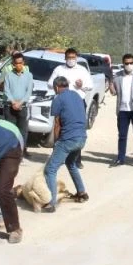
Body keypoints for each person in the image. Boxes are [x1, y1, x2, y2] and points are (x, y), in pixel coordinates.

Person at [43, 76, 89, 212]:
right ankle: (81, 192)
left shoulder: (58, 99)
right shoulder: (77, 95)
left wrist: (55, 143)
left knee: (50, 169)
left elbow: (57, 123)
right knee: (71, 163)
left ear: (56, 87)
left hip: (68, 139)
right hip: (82, 137)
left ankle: (51, 202)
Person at [47, 48, 93, 168]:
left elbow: (90, 86)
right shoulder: (59, 69)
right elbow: (49, 83)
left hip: (78, 102)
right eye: (69, 57)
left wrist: (81, 85)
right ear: (65, 58)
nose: (71, 60)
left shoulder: (82, 70)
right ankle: (58, 156)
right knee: (60, 127)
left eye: (73, 57)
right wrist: (60, 83)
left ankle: (77, 160)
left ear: (76, 58)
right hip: (63, 102)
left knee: (77, 129)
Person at [108, 53, 133, 167]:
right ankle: (121, 158)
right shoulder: (117, 76)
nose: (129, 65)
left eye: (131, 63)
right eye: (127, 63)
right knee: (122, 135)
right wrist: (111, 87)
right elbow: (114, 92)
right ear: (123, 64)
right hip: (123, 110)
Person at [2, 52, 34, 157]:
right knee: (10, 129)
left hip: (23, 107)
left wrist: (20, 103)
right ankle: (9, 150)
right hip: (9, 107)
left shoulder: (29, 76)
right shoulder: (8, 75)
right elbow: (6, 91)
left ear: (23, 63)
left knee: (23, 130)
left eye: (21, 63)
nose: (19, 65)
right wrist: (13, 102)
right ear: (13, 64)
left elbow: (28, 92)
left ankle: (22, 150)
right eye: (17, 63)